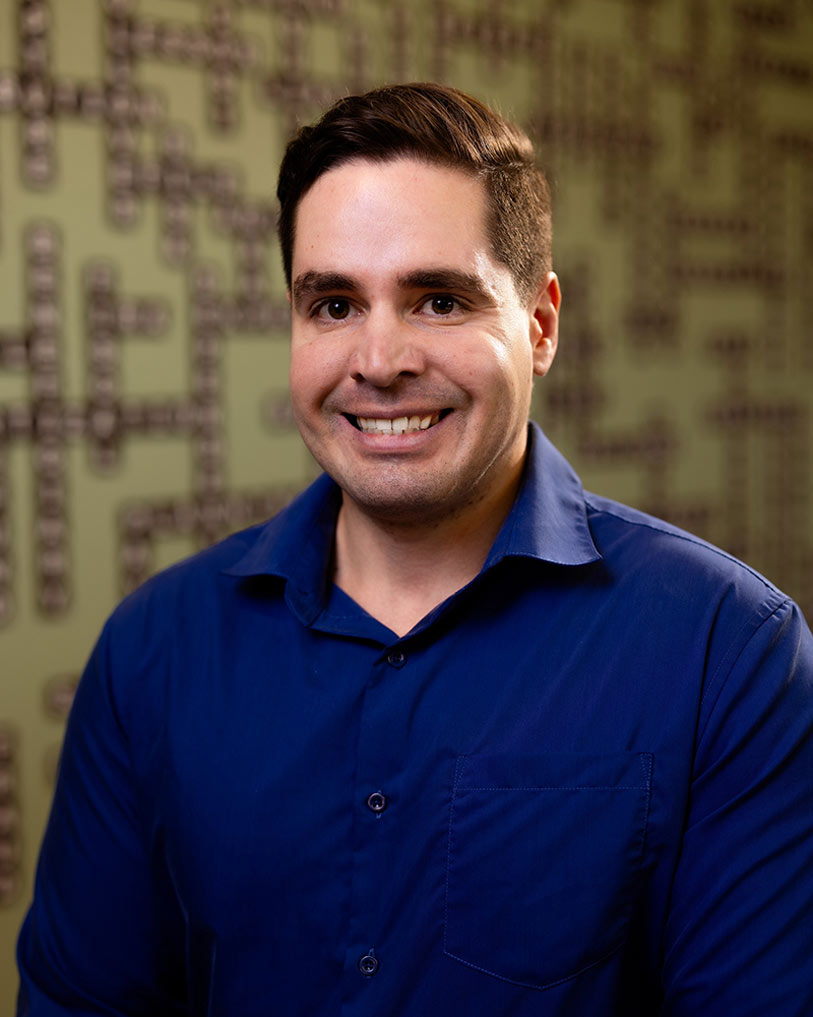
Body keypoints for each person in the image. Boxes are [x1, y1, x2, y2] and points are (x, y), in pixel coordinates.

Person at [16, 83, 813, 1016]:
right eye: (332, 305)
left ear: (541, 325)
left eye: (438, 300)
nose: (379, 359)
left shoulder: (728, 653)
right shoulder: (153, 652)